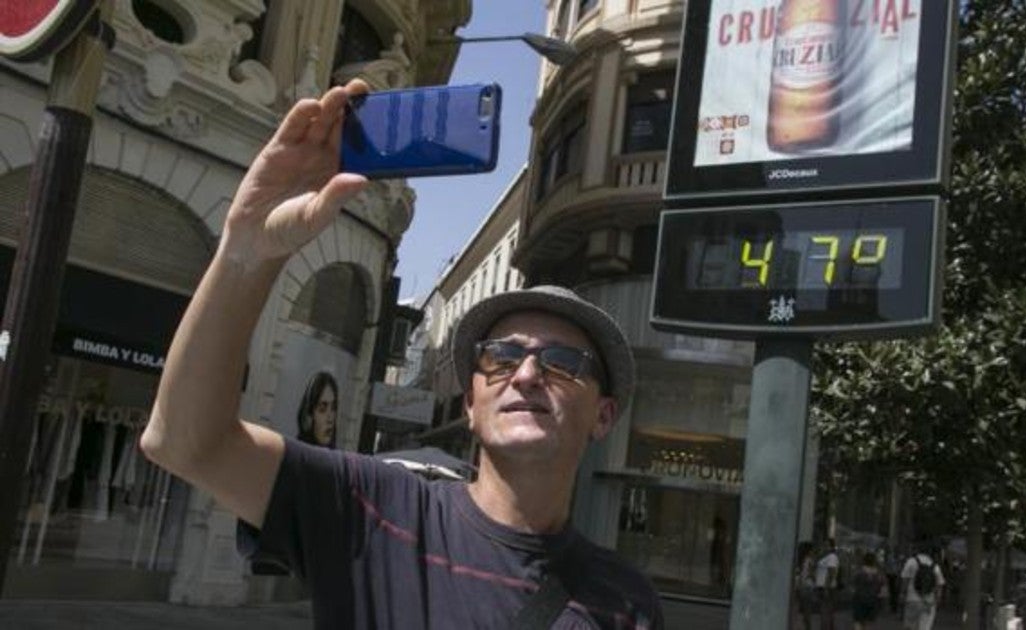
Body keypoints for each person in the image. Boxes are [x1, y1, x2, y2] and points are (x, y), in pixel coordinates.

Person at [139, 79, 663, 628]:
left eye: (562, 363)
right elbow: (181, 442)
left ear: (604, 414)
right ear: (469, 403)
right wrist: (246, 248)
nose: (527, 373)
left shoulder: (625, 602)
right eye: (502, 356)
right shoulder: (373, 508)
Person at [900, 544, 946, 630]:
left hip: (912, 599)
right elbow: (939, 584)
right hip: (928, 601)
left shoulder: (911, 561)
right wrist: (938, 598)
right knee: (924, 627)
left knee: (910, 626)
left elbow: (905, 580)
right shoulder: (934, 565)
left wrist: (902, 594)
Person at [296, 371, 337, 448]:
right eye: (322, 409)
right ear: (309, 416)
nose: (330, 418)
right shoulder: (295, 456)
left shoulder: (337, 458)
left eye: (333, 408)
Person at [851, 552, 886, 629]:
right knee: (870, 622)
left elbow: (853, 587)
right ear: (874, 561)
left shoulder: (858, 572)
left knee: (858, 621)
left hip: (859, 599)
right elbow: (883, 590)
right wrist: (881, 601)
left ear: (864, 561)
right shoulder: (879, 574)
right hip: (873, 600)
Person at [815, 538, 841, 630]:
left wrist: (826, 587)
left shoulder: (832, 557)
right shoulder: (826, 556)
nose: (824, 547)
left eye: (827, 545)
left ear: (831, 546)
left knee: (825, 611)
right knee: (826, 611)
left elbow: (831, 573)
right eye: (824, 545)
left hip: (827, 588)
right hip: (823, 586)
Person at [794, 541, 817, 630]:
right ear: (809, 551)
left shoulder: (800, 561)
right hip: (808, 587)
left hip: (801, 587)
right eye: (812, 550)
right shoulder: (810, 560)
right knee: (807, 613)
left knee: (800, 611)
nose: (813, 551)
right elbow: (812, 574)